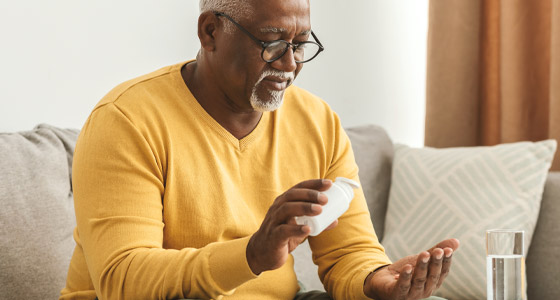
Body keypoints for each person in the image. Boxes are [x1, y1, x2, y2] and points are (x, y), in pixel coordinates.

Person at [60, 0, 459, 299]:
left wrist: (377, 281)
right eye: (271, 43)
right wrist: (251, 255)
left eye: (300, 45)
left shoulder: (318, 121)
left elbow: (348, 252)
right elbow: (124, 279)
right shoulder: (127, 120)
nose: (289, 64)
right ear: (210, 31)